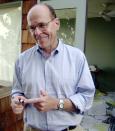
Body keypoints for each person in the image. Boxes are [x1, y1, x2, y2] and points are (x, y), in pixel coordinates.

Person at [11, 3, 95, 131]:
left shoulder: (77, 57)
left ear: (56, 23)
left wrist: (57, 104)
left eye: (42, 25)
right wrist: (17, 100)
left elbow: (86, 97)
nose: (37, 33)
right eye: (32, 28)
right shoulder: (21, 60)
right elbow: (17, 91)